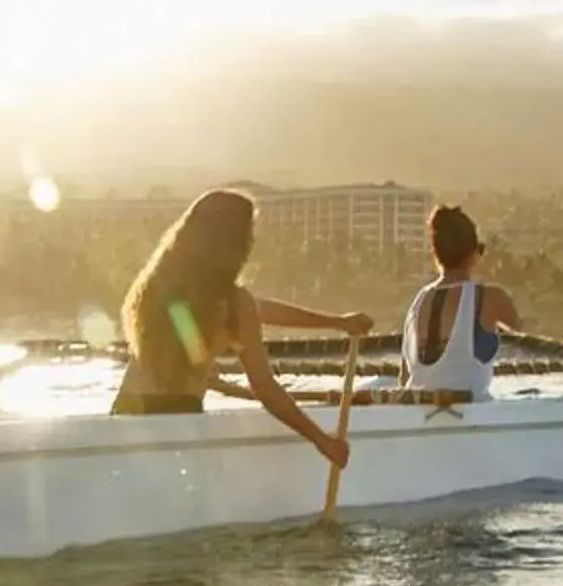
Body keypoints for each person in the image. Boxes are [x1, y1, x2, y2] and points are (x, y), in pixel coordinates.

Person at [111, 188, 371, 469]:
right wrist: (323, 441)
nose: (252, 241)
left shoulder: (156, 286)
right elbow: (265, 387)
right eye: (249, 234)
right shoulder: (232, 304)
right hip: (178, 420)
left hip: (126, 414)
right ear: (234, 242)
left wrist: (335, 322)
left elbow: (258, 311)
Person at [400, 203, 523, 402]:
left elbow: (404, 378)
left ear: (435, 254)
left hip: (417, 415)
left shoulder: (418, 302)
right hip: (471, 412)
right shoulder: (492, 297)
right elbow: (525, 332)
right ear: (473, 254)